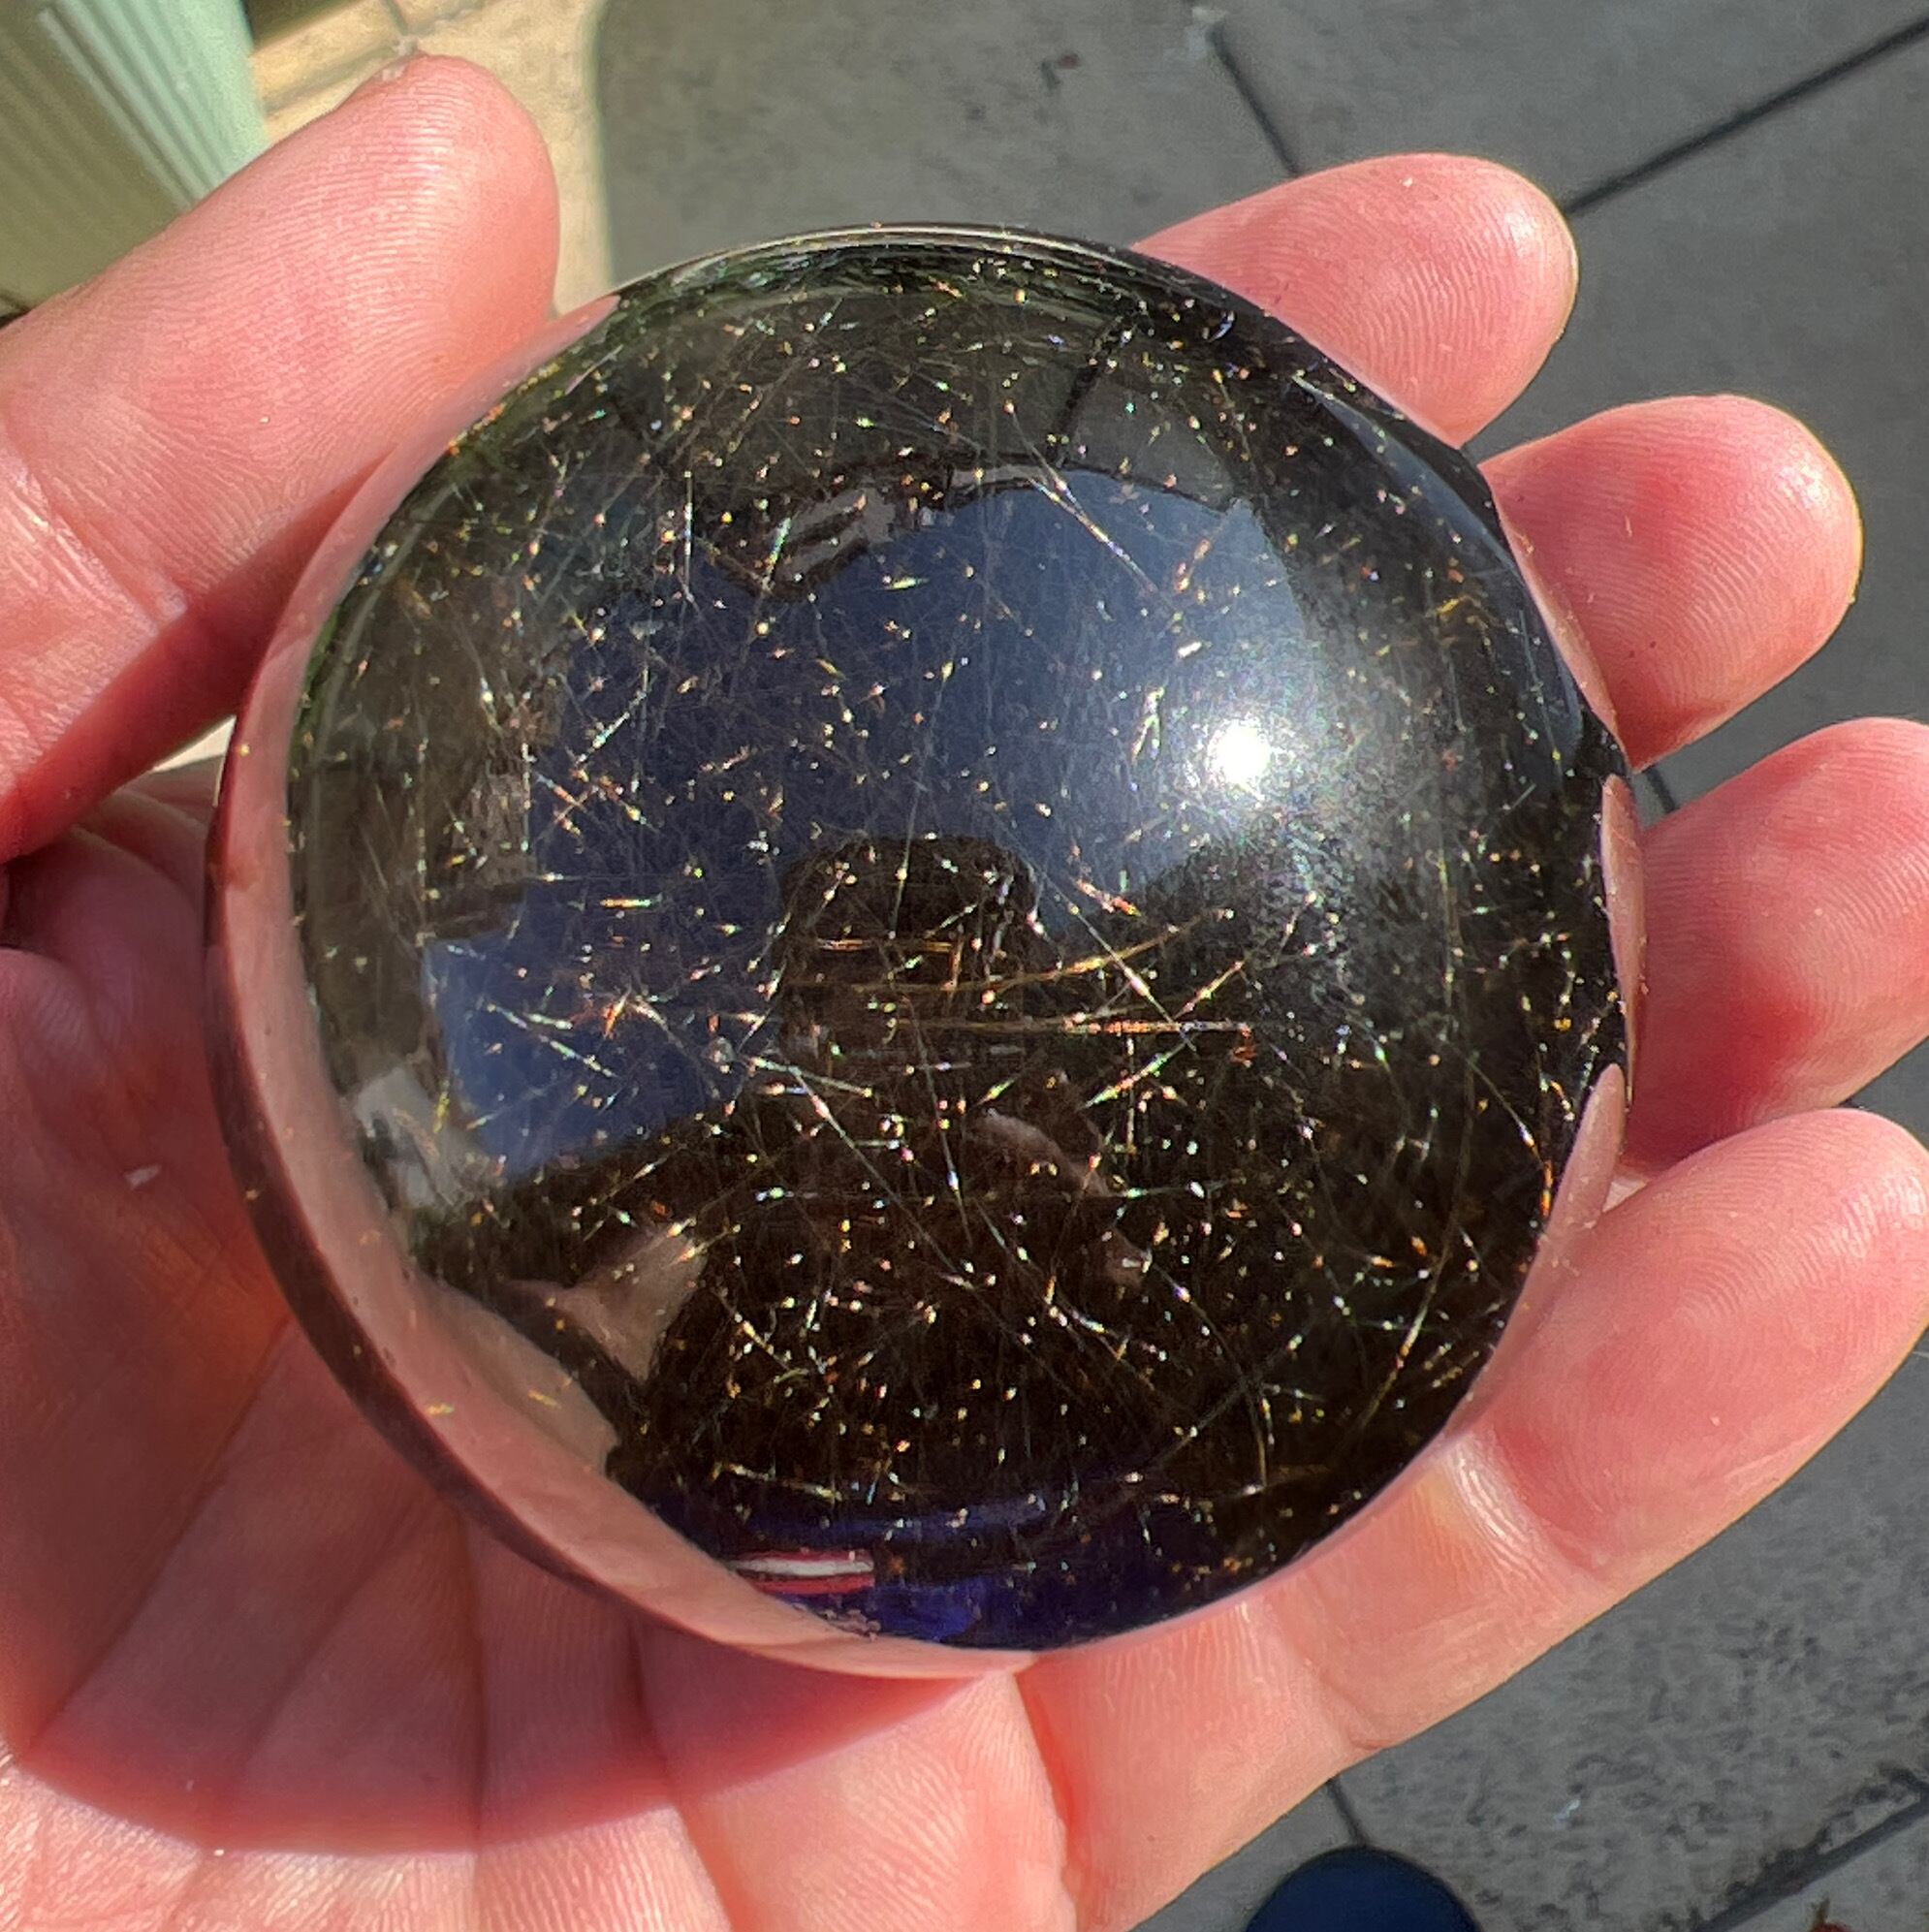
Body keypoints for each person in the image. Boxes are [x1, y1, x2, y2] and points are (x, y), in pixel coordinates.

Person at [0, 52, 1922, 1932]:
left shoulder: (1175, 1197)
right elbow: (564, 1297)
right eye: (872, 962)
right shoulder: (668, 1190)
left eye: (954, 956)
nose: (913, 1015)